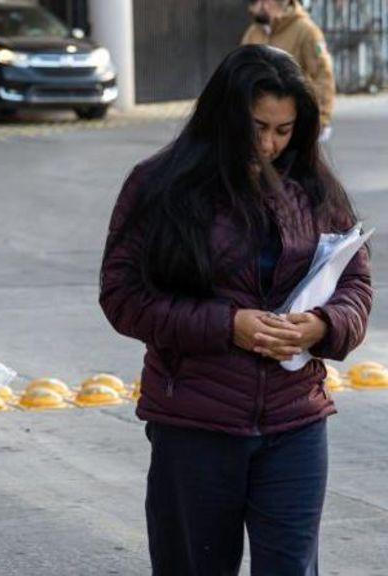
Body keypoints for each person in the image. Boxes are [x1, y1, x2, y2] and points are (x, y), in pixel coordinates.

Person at [99, 45, 372, 576]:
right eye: (256, 127)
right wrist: (230, 327)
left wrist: (322, 325)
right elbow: (123, 297)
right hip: (196, 423)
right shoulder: (159, 186)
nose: (268, 144)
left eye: (284, 130)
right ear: (223, 116)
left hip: (296, 420)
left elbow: (355, 281)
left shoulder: (313, 188)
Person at [242, 0, 335, 139]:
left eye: (254, 3)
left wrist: (322, 117)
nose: (251, 9)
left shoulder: (306, 30)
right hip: (258, 120)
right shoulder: (254, 32)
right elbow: (240, 70)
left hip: (293, 121)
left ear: (267, 3)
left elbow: (323, 74)